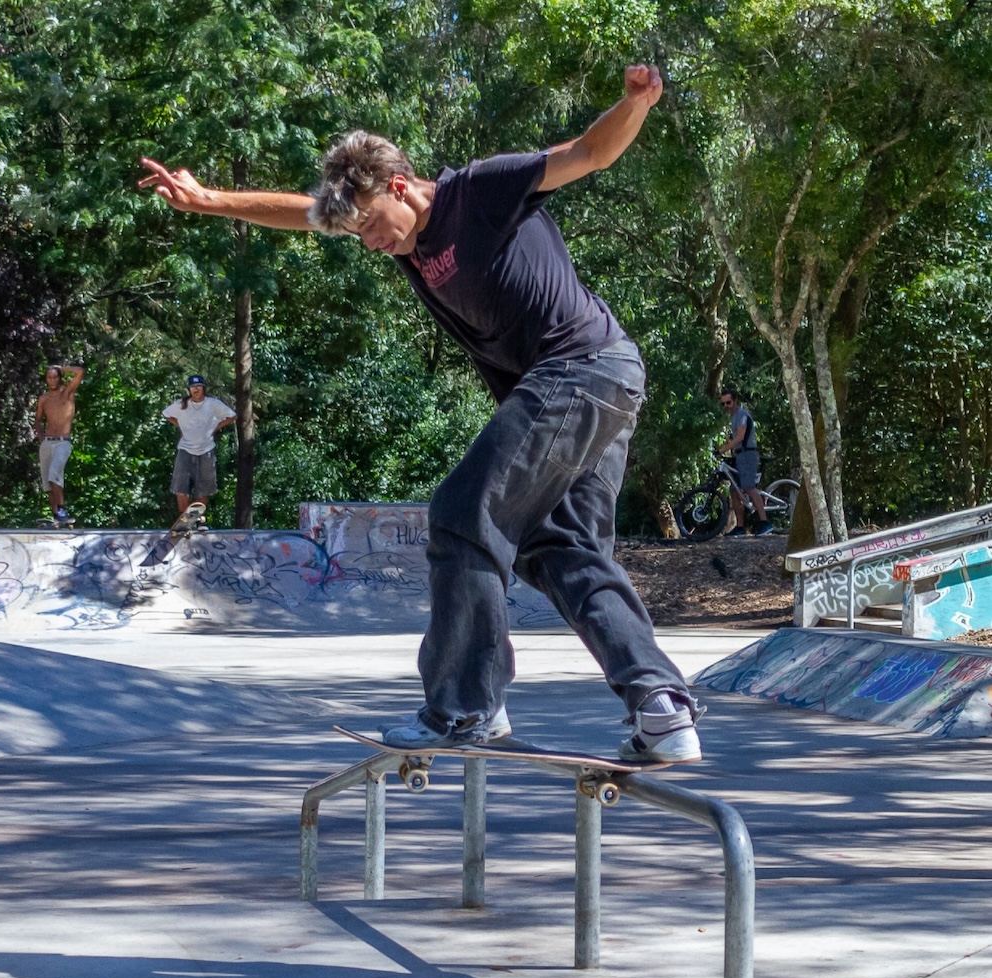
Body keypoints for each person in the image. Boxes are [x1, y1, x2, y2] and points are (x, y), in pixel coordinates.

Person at [139, 64, 701, 763]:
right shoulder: (382, 225)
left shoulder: (479, 191)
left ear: (401, 188)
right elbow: (297, 210)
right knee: (565, 549)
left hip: (583, 371)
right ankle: (661, 706)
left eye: (375, 225)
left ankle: (465, 707)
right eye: (362, 234)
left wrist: (635, 102)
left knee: (464, 513)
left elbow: (587, 154)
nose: (374, 242)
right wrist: (208, 200)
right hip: (597, 388)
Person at [162, 374, 236, 518]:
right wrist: (180, 426)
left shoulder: (213, 404)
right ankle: (184, 520)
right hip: (185, 449)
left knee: (204, 489)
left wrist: (215, 427)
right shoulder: (181, 405)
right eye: (193, 387)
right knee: (180, 487)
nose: (196, 390)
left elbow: (232, 416)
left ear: (204, 389)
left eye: (199, 387)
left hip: (206, 450)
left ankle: (197, 519)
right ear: (189, 390)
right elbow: (166, 414)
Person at [35, 363, 84, 525]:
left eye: (55, 376)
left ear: (60, 377)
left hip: (63, 442)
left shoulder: (67, 393)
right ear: (46, 379)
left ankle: (62, 509)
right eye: (49, 377)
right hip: (48, 442)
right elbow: (38, 419)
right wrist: (40, 434)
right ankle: (56, 515)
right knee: (48, 482)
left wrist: (62, 368)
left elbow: (80, 372)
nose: (52, 380)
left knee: (54, 474)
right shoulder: (44, 399)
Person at [719, 388, 772, 536]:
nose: (726, 406)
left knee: (749, 487)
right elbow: (732, 438)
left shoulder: (742, 415)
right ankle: (740, 527)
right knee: (734, 491)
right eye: (723, 404)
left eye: (728, 402)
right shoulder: (732, 417)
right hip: (738, 455)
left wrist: (722, 450)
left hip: (748, 454)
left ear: (735, 401)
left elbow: (740, 437)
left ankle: (764, 523)